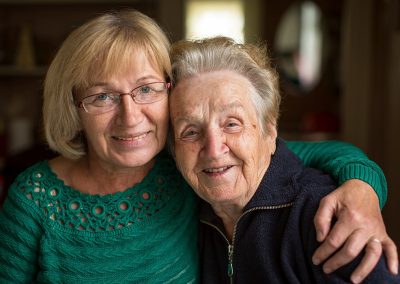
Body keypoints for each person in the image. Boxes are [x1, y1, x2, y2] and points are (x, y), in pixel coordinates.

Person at [0, 9, 396, 283]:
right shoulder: (33, 202)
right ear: (74, 107)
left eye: (145, 90)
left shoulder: (184, 168)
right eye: (102, 97)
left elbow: (308, 155)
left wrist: (362, 188)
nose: (130, 116)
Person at [168, 36, 399, 283]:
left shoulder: (322, 215)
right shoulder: (183, 209)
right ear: (172, 148)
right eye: (190, 132)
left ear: (269, 131)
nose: (213, 150)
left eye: (232, 124)